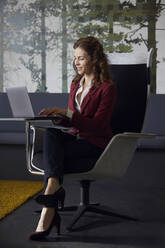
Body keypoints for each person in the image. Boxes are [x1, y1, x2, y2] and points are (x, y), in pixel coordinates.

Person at [29, 36, 117, 240]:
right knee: (51, 133)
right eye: (75, 58)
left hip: (95, 143)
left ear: (95, 59)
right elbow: (73, 123)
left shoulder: (107, 89)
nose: (76, 62)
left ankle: (48, 211)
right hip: (76, 138)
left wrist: (67, 114)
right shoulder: (76, 84)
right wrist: (59, 118)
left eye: (82, 58)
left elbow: (97, 125)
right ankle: (53, 189)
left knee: (51, 157)